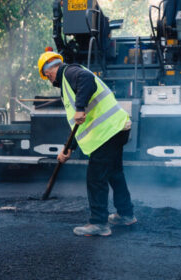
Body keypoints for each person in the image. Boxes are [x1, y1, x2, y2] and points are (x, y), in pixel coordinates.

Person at [37, 51, 136, 237]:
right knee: (115, 173)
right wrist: (68, 149)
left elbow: (87, 79)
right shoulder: (68, 81)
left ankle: (98, 223)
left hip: (107, 132)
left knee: (96, 177)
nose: (50, 81)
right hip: (117, 128)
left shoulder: (70, 72)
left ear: (49, 71)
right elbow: (79, 124)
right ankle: (126, 213)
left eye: (47, 76)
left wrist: (80, 108)